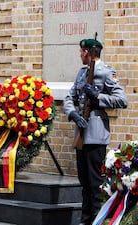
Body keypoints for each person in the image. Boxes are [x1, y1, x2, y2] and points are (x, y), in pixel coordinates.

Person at [63, 38, 128, 225]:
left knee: (94, 185)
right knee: (84, 184)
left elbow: (122, 100)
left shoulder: (107, 73)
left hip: (96, 135)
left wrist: (97, 96)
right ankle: (85, 220)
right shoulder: (82, 72)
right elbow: (70, 95)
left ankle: (96, 221)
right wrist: (73, 113)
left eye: (81, 51)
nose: (79, 54)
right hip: (81, 134)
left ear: (88, 53)